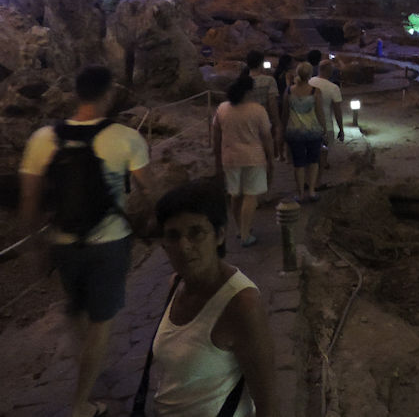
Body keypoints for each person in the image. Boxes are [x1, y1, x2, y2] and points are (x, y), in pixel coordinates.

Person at [18, 65, 152, 417]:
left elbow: (29, 199)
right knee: (102, 322)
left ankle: (87, 363)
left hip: (63, 241)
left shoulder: (43, 138)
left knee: (75, 306)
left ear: (76, 93)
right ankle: (81, 403)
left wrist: (36, 244)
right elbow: (148, 189)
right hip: (110, 240)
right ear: (108, 93)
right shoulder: (125, 137)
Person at [150, 181, 278, 416]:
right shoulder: (176, 285)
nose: (184, 246)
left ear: (219, 235)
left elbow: (268, 404)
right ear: (164, 245)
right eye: (173, 236)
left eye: (196, 233)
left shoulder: (241, 304)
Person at [212, 74, 274, 247]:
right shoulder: (257, 110)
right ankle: (246, 234)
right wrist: (271, 156)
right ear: (250, 90)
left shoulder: (223, 108)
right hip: (253, 157)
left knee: (235, 194)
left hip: (229, 157)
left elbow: (216, 134)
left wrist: (217, 156)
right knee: (250, 195)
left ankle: (240, 229)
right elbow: (266, 136)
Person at [281, 62, 325, 202]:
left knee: (298, 164)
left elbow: (285, 113)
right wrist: (324, 129)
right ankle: (311, 191)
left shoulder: (288, 91)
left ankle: (300, 193)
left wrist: (282, 130)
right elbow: (320, 113)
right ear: (310, 74)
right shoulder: (315, 91)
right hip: (312, 131)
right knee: (313, 161)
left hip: (294, 131)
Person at [308, 59, 345, 171]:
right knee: (323, 154)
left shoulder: (309, 82)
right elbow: (337, 110)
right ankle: (318, 181)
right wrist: (341, 128)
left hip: (307, 123)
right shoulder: (333, 88)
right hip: (326, 124)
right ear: (330, 71)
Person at [244, 51, 280, 156]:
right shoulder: (269, 81)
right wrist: (277, 123)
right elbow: (272, 103)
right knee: (266, 153)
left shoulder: (242, 81)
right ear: (261, 63)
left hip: (246, 120)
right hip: (264, 120)